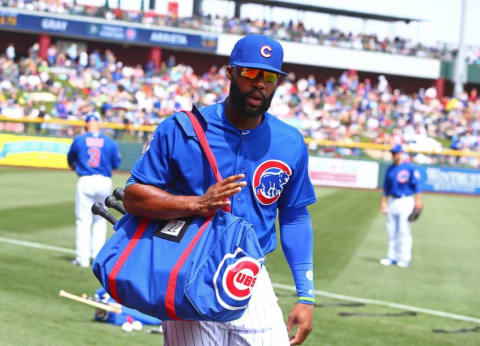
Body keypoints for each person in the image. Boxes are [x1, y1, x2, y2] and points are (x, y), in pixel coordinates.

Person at [123, 34, 317, 345]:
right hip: (188, 269)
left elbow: (294, 216)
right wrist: (196, 203)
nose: (259, 84)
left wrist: (306, 295)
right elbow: (133, 196)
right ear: (230, 73)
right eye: (250, 73)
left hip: (249, 274)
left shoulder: (289, 141)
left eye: (269, 76)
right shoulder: (181, 129)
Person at [67, 113, 122, 268]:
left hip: (85, 179)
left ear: (86, 124)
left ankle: (82, 259)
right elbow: (116, 163)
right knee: (101, 220)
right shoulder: (110, 142)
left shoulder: (79, 139)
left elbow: (70, 160)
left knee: (83, 221)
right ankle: (97, 256)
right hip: (104, 180)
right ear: (99, 123)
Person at [380, 144, 422, 268]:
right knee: (391, 230)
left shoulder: (409, 168)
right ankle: (391, 256)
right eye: (393, 153)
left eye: (396, 153)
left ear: (401, 153)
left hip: (406, 200)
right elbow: (386, 188)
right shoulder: (390, 169)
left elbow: (417, 186)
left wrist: (418, 201)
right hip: (392, 200)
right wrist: (383, 202)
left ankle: (404, 258)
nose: (394, 155)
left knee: (404, 230)